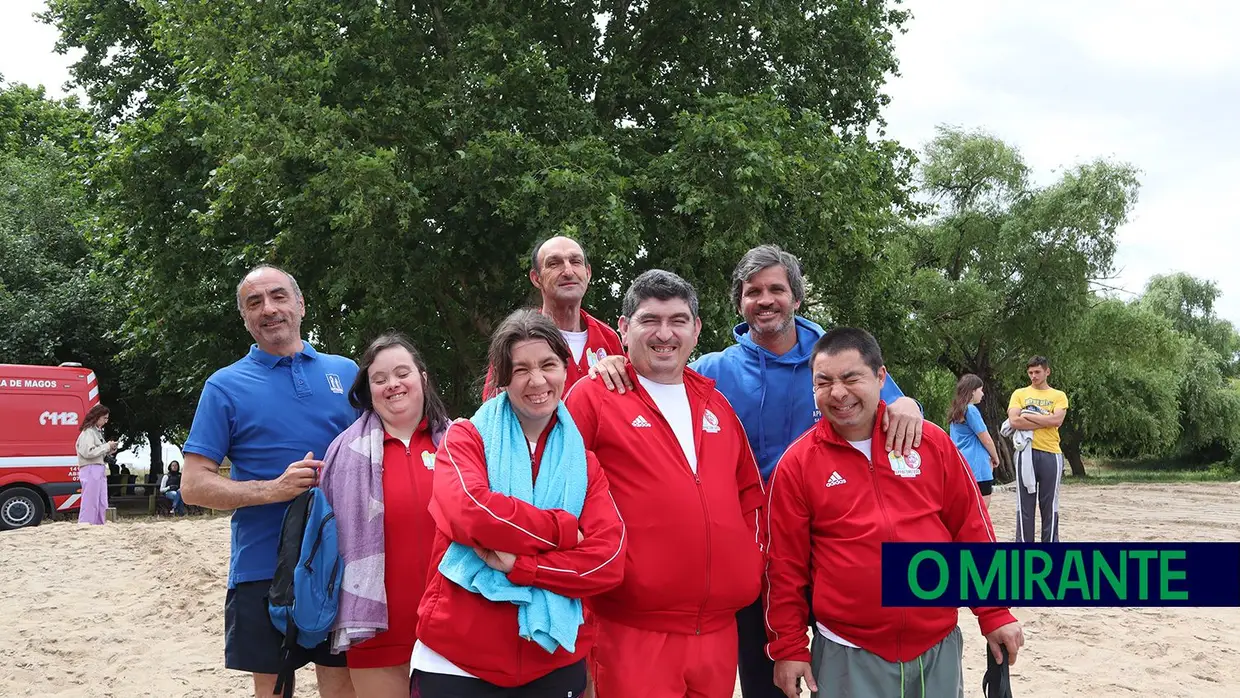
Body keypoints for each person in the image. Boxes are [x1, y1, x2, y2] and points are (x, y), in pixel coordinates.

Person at [587, 245, 924, 698]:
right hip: (760, 561)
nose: (765, 300)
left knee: (845, 671)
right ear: (740, 304)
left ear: (796, 297)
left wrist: (909, 404)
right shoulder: (713, 372)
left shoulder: (832, 362)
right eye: (752, 292)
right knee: (769, 682)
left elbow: (885, 402)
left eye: (776, 289)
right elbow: (658, 373)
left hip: (832, 548)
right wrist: (611, 360)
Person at [764, 327, 1024, 698]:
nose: (838, 393)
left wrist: (995, 611)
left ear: (881, 377)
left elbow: (972, 530)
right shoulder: (798, 464)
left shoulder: (931, 443)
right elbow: (783, 566)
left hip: (936, 647)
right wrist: (789, 647)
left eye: (852, 377)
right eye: (824, 382)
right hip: (847, 652)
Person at [564, 269, 765, 698]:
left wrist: (745, 569)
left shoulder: (716, 403)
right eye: (649, 320)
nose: (664, 333)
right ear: (623, 328)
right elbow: (559, 500)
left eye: (677, 320)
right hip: (632, 629)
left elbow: (750, 498)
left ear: (696, 329)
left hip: (715, 631)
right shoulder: (593, 397)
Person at [412, 308, 627, 696]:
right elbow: (472, 514)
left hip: (551, 659)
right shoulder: (466, 438)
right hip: (456, 661)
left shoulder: (584, 462)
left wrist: (524, 566)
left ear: (565, 369)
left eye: (548, 364)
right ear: (502, 377)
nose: (538, 380)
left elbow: (608, 561)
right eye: (521, 369)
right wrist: (563, 529)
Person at [180, 264, 359, 698]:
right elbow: (193, 485)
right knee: (274, 689)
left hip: (343, 559)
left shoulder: (349, 372)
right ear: (244, 317)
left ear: (300, 304)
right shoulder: (224, 386)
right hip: (262, 565)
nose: (269, 309)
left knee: (342, 685)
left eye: (278, 296)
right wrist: (271, 489)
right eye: (254, 302)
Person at [317, 332, 453, 698]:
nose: (393, 385)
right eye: (380, 379)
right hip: (375, 630)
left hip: (456, 629)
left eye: (402, 373)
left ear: (422, 377)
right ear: (368, 389)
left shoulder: (462, 442)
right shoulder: (342, 453)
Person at [482, 236, 623, 400]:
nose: (568, 272)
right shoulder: (516, 338)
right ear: (536, 278)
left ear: (588, 273)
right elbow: (494, 413)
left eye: (575, 261)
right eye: (554, 264)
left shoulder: (609, 338)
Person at [1006, 355, 1070, 543]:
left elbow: (1057, 420)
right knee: (1025, 504)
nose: (1033, 376)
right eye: (1030, 372)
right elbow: (1014, 421)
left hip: (1051, 452)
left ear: (1047, 371)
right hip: (1025, 452)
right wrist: (1045, 419)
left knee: (1049, 504)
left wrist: (1028, 415)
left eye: (1037, 372)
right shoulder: (1019, 393)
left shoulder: (1058, 396)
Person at [948, 374, 1000, 510]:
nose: (982, 394)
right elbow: (986, 438)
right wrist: (995, 457)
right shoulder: (971, 410)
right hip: (978, 465)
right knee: (982, 506)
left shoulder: (956, 411)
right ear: (972, 391)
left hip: (962, 463)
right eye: (980, 390)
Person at [75, 404, 117, 525]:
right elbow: (88, 452)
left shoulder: (96, 432)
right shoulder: (87, 432)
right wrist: (106, 446)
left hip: (99, 468)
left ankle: (100, 523)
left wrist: (109, 449)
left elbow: (98, 451)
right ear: (97, 417)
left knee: (102, 500)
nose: (106, 421)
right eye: (104, 418)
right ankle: (86, 524)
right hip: (90, 468)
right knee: (90, 500)